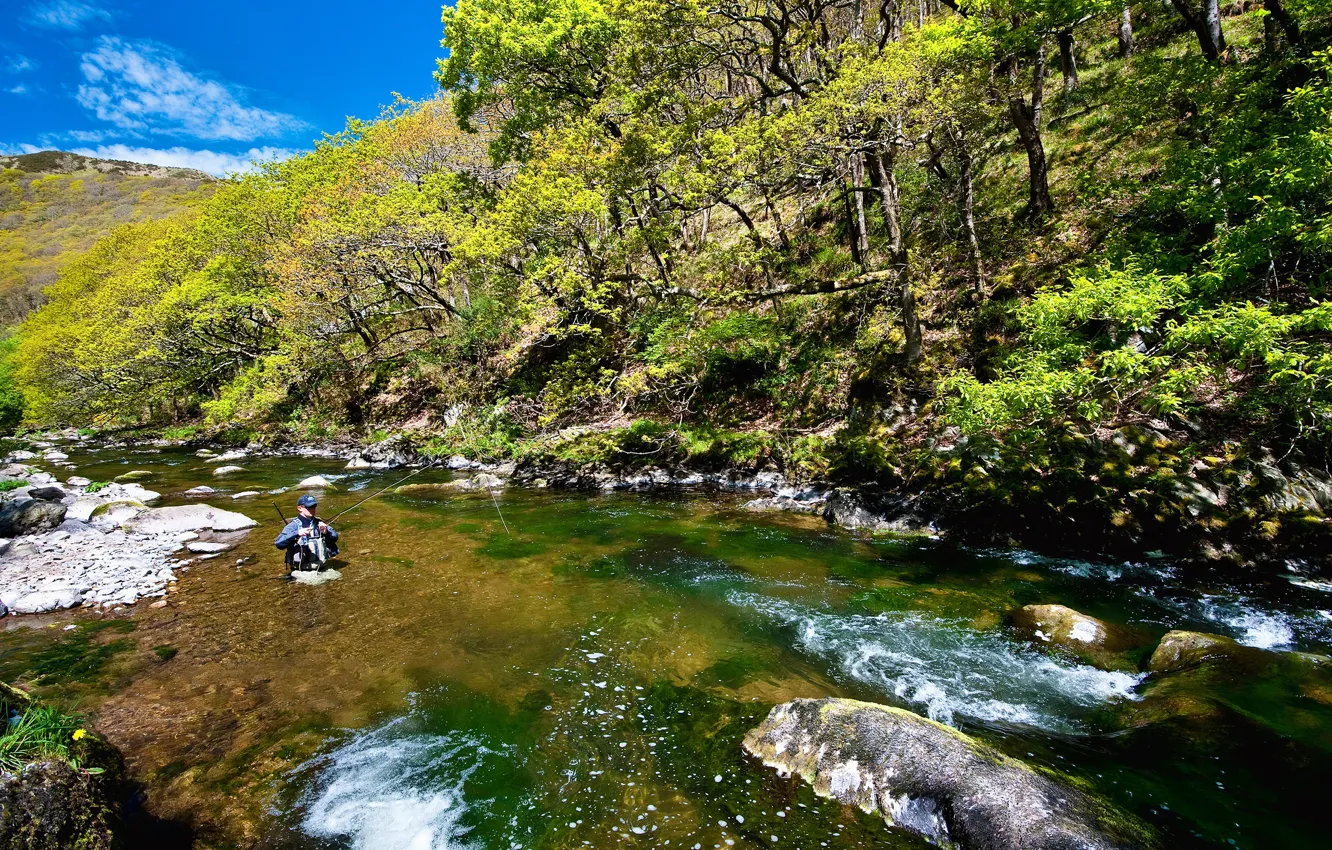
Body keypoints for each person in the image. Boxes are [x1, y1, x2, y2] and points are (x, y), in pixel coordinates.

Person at [274, 494, 340, 569]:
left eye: (314, 507)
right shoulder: (293, 526)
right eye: (309, 507)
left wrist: (326, 532)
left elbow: (335, 538)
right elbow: (278, 543)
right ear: (300, 508)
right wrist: (297, 533)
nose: (312, 509)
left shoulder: (319, 523)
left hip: (322, 567)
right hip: (302, 571)